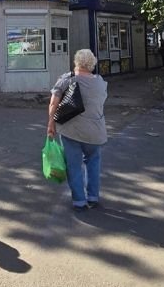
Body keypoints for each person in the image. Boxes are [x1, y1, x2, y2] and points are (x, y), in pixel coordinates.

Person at [47, 49, 109, 211]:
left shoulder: (67, 79)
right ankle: (93, 197)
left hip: (71, 130)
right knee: (93, 162)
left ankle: (79, 201)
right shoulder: (100, 82)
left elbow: (53, 103)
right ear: (92, 63)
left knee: (73, 165)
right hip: (96, 131)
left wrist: (51, 124)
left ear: (76, 62)